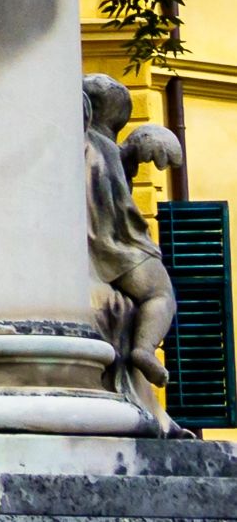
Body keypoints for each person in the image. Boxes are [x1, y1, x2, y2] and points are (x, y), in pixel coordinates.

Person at [85, 73, 190, 430]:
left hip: (88, 248)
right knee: (160, 294)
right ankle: (145, 348)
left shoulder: (74, 146)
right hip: (120, 248)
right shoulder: (108, 151)